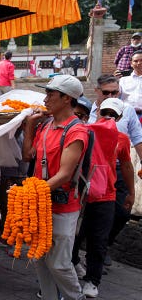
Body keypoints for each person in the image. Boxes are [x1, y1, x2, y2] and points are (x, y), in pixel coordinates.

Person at [22, 74, 87, 300]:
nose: (46, 98)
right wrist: (30, 124)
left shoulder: (76, 131)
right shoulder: (46, 125)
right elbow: (27, 155)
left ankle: (74, 297)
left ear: (67, 98)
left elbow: (65, 174)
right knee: (40, 258)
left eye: (51, 94)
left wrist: (30, 192)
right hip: (41, 203)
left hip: (62, 205)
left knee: (59, 263)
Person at [71, 97, 135, 298]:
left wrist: (131, 192)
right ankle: (81, 271)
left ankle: (88, 276)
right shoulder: (93, 132)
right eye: (107, 113)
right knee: (84, 237)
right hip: (91, 194)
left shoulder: (114, 137)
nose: (108, 117)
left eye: (112, 114)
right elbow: (126, 166)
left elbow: (126, 165)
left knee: (88, 238)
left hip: (95, 194)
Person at [88, 74, 142, 267]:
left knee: (122, 213)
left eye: (115, 92)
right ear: (97, 91)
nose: (111, 95)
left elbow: (137, 138)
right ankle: (93, 251)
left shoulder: (127, 111)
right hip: (90, 171)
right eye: (106, 92)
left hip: (118, 169)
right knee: (91, 214)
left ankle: (104, 244)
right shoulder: (87, 110)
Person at [118, 50, 142, 118]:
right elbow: (115, 96)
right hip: (126, 115)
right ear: (131, 63)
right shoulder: (123, 80)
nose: (139, 63)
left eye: (141, 60)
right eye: (136, 61)